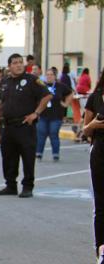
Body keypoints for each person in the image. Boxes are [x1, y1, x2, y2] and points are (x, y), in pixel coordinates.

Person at [0, 53, 52, 198]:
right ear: (9, 66)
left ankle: (27, 186)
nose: (19, 65)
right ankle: (10, 185)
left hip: (25, 125)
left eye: (20, 62)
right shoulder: (4, 82)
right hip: (8, 126)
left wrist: (36, 113)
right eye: (15, 63)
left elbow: (47, 96)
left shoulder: (32, 80)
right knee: (8, 156)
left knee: (27, 156)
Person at [83, 71, 104, 257]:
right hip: (100, 154)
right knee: (101, 204)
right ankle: (100, 250)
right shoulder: (95, 97)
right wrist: (94, 125)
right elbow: (85, 130)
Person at [36, 67, 73, 161]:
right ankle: (38, 153)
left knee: (53, 133)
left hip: (56, 115)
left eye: (51, 75)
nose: (49, 76)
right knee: (41, 134)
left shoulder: (60, 86)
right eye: (47, 75)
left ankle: (55, 154)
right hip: (43, 114)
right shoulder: (42, 86)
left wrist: (66, 104)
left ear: (55, 76)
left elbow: (70, 93)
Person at [78, 68, 93, 142]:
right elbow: (89, 85)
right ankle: (84, 134)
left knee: (83, 113)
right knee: (85, 114)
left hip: (80, 94)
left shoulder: (81, 76)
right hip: (85, 93)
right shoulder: (87, 76)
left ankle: (80, 132)